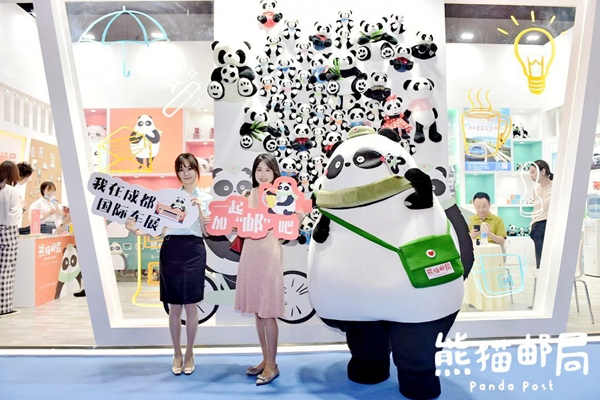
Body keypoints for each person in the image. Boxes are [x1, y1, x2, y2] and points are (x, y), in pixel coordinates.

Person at [126, 153, 210, 376]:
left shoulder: (206, 197)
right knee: (174, 306)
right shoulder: (169, 198)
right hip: (171, 249)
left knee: (191, 305)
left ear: (196, 171)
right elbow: (159, 230)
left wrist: (200, 209)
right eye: (181, 169)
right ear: (177, 173)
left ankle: (190, 353)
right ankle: (177, 353)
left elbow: (208, 232)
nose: (186, 173)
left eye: (190, 168)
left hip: (194, 250)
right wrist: (135, 231)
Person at [235, 153, 284, 386]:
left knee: (267, 311)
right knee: (257, 310)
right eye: (258, 169)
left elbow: (294, 219)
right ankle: (266, 360)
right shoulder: (247, 195)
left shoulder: (282, 195)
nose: (263, 174)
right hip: (250, 253)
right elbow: (236, 222)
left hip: (269, 253)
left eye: (267, 169)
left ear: (275, 172)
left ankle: (273, 364)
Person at [0, 161, 23, 316]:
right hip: (7, 231)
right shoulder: (11, 191)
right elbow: (13, 214)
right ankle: (3, 307)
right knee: (6, 269)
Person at [529, 160, 553, 269]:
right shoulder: (536, 190)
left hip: (550, 224)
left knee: (550, 258)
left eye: (533, 172)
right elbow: (536, 210)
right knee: (540, 259)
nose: (531, 175)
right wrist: (532, 224)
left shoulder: (556, 187)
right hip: (538, 226)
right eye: (530, 173)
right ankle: (541, 274)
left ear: (543, 171)